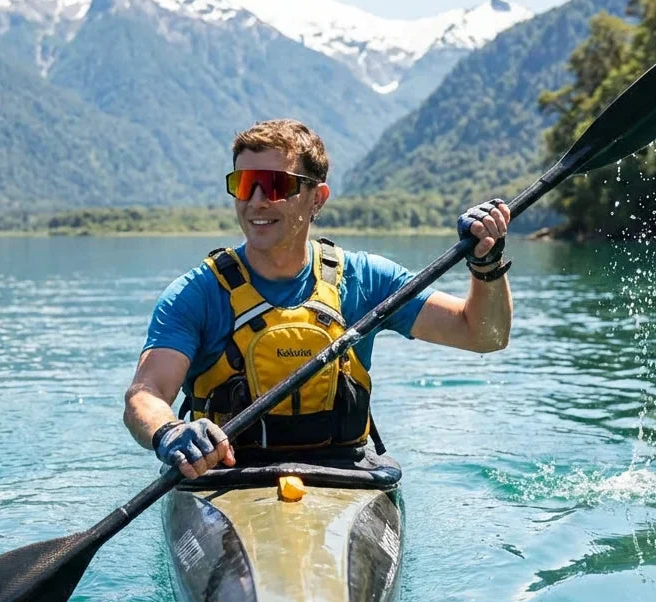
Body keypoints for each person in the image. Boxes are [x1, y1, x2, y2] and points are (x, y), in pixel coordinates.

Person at [124, 118, 512, 479]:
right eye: (244, 185)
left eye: (275, 185)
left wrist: (486, 265)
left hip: (343, 478)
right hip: (228, 478)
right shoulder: (197, 294)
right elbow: (146, 394)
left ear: (317, 197)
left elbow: (484, 335)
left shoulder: (366, 279)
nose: (256, 201)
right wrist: (170, 431)